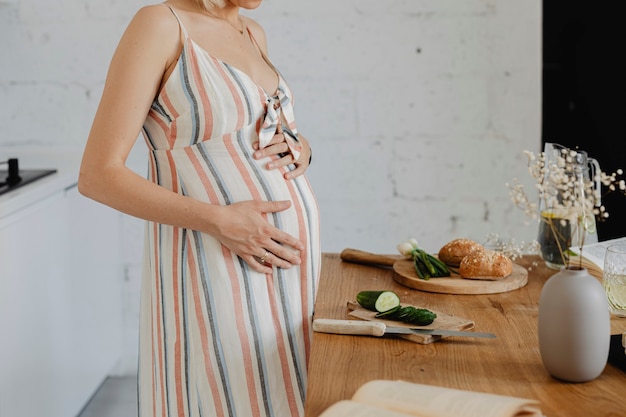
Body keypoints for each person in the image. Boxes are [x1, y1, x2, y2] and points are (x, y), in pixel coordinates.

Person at [78, 0, 320, 415]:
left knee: (292, 393)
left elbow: (261, 131)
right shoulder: (161, 24)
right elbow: (98, 174)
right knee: (229, 396)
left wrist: (303, 149)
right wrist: (220, 220)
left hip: (290, 266)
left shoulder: (252, 32)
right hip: (217, 257)